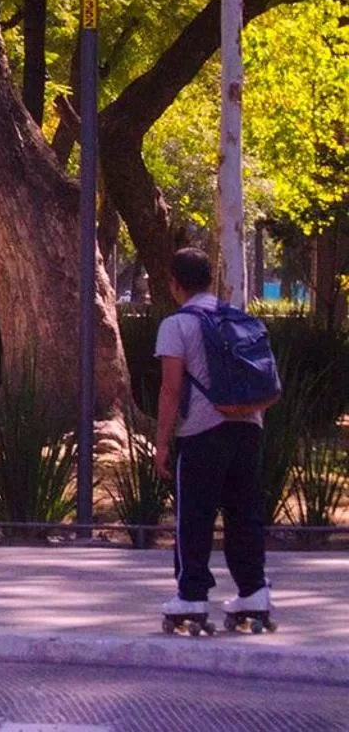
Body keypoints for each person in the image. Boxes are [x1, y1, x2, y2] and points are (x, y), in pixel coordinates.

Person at [155, 246, 272, 630]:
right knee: (244, 514)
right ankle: (254, 591)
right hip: (249, 428)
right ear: (210, 280)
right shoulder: (240, 318)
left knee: (195, 516)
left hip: (203, 433)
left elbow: (171, 389)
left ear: (175, 284)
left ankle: (191, 596)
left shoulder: (177, 324)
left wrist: (161, 442)